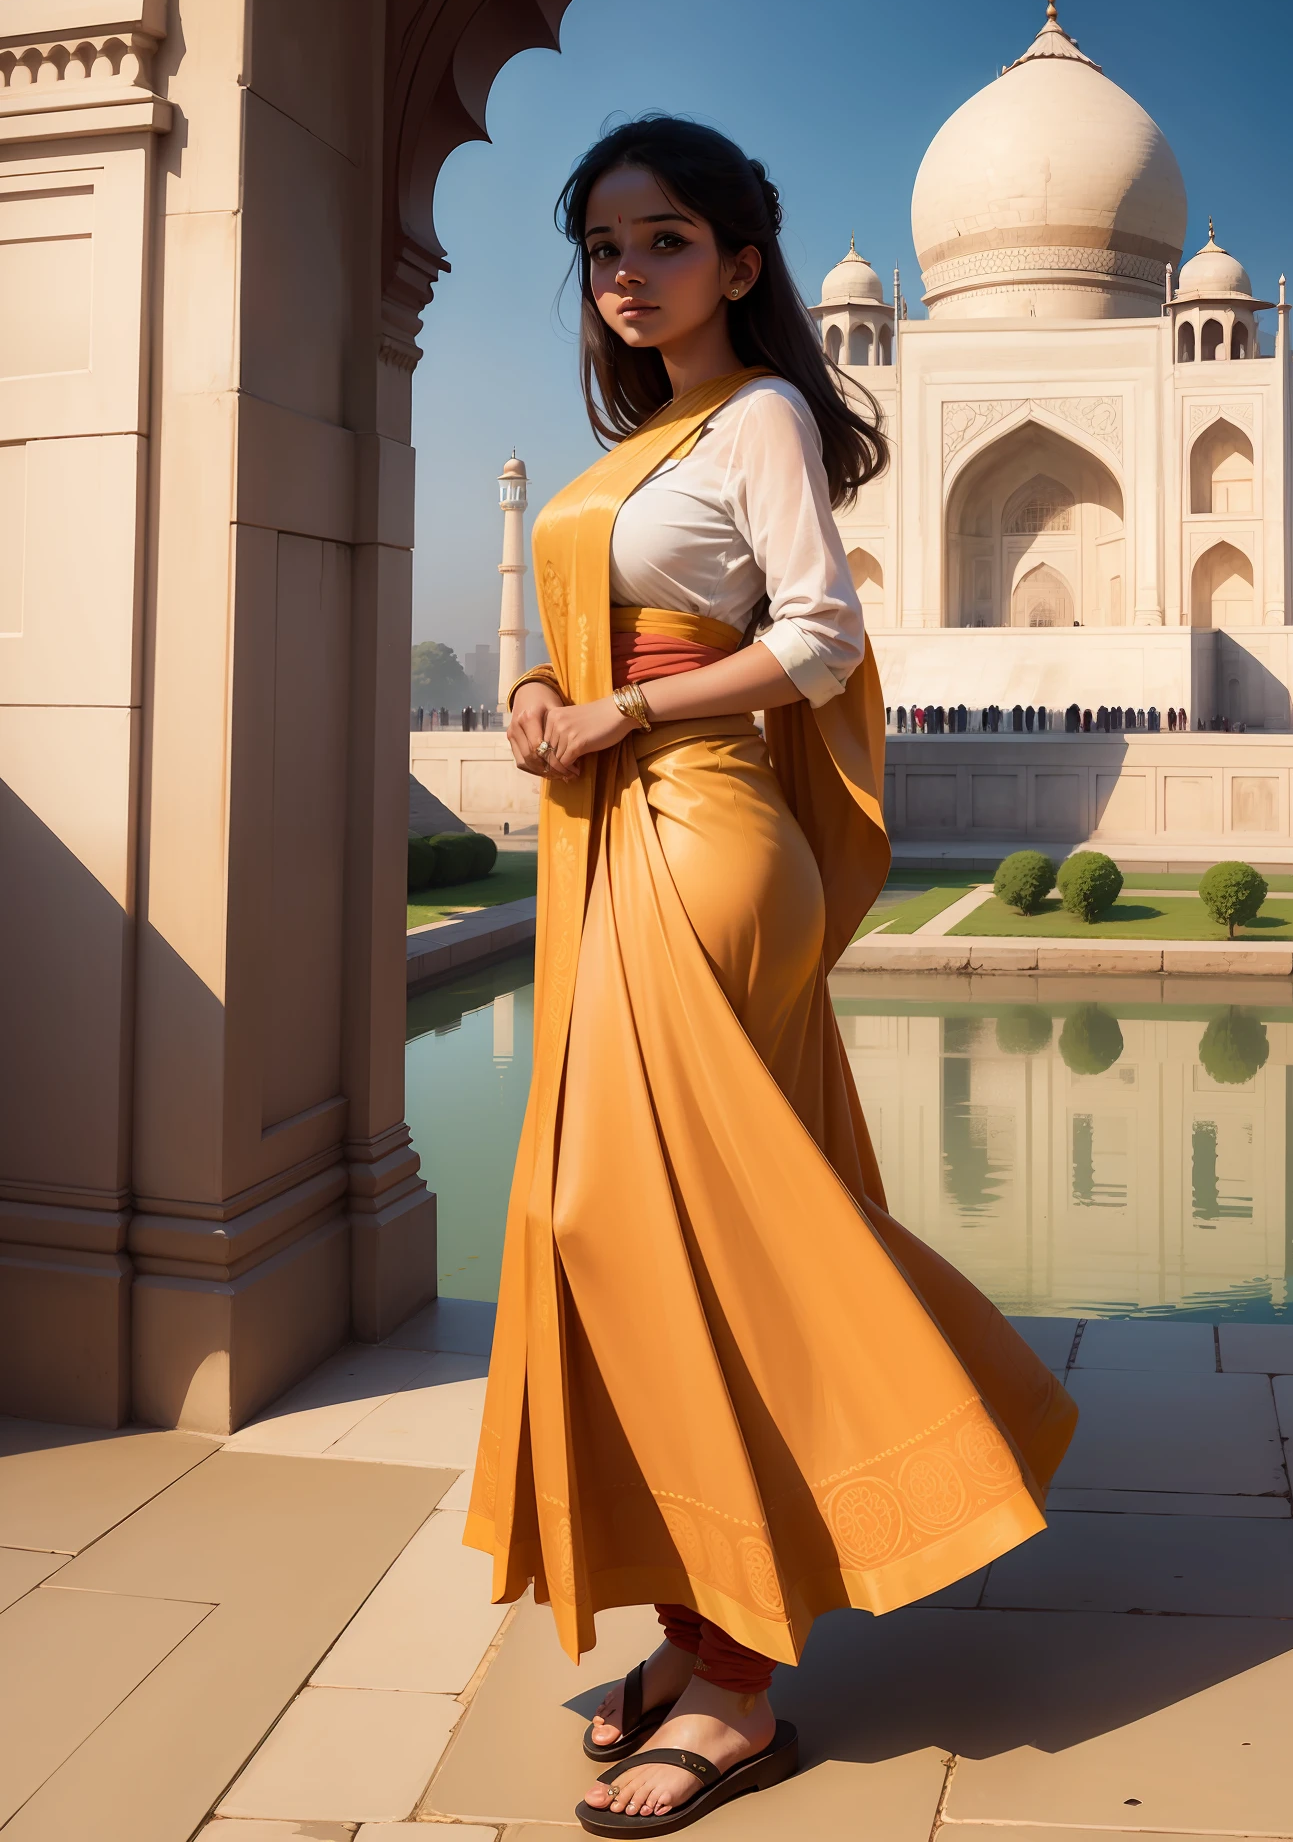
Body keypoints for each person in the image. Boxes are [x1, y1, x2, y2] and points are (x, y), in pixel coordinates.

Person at [478, 117, 1075, 1838]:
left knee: (681, 1228)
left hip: (708, 839)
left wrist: (628, 712)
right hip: (613, 830)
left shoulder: (759, 419)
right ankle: (695, 1620)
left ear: (742, 262)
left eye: (663, 240)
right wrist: (536, 693)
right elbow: (606, 634)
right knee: (623, 1231)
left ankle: (741, 1678)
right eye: (602, 247)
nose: (626, 273)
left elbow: (820, 634)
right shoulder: (651, 440)